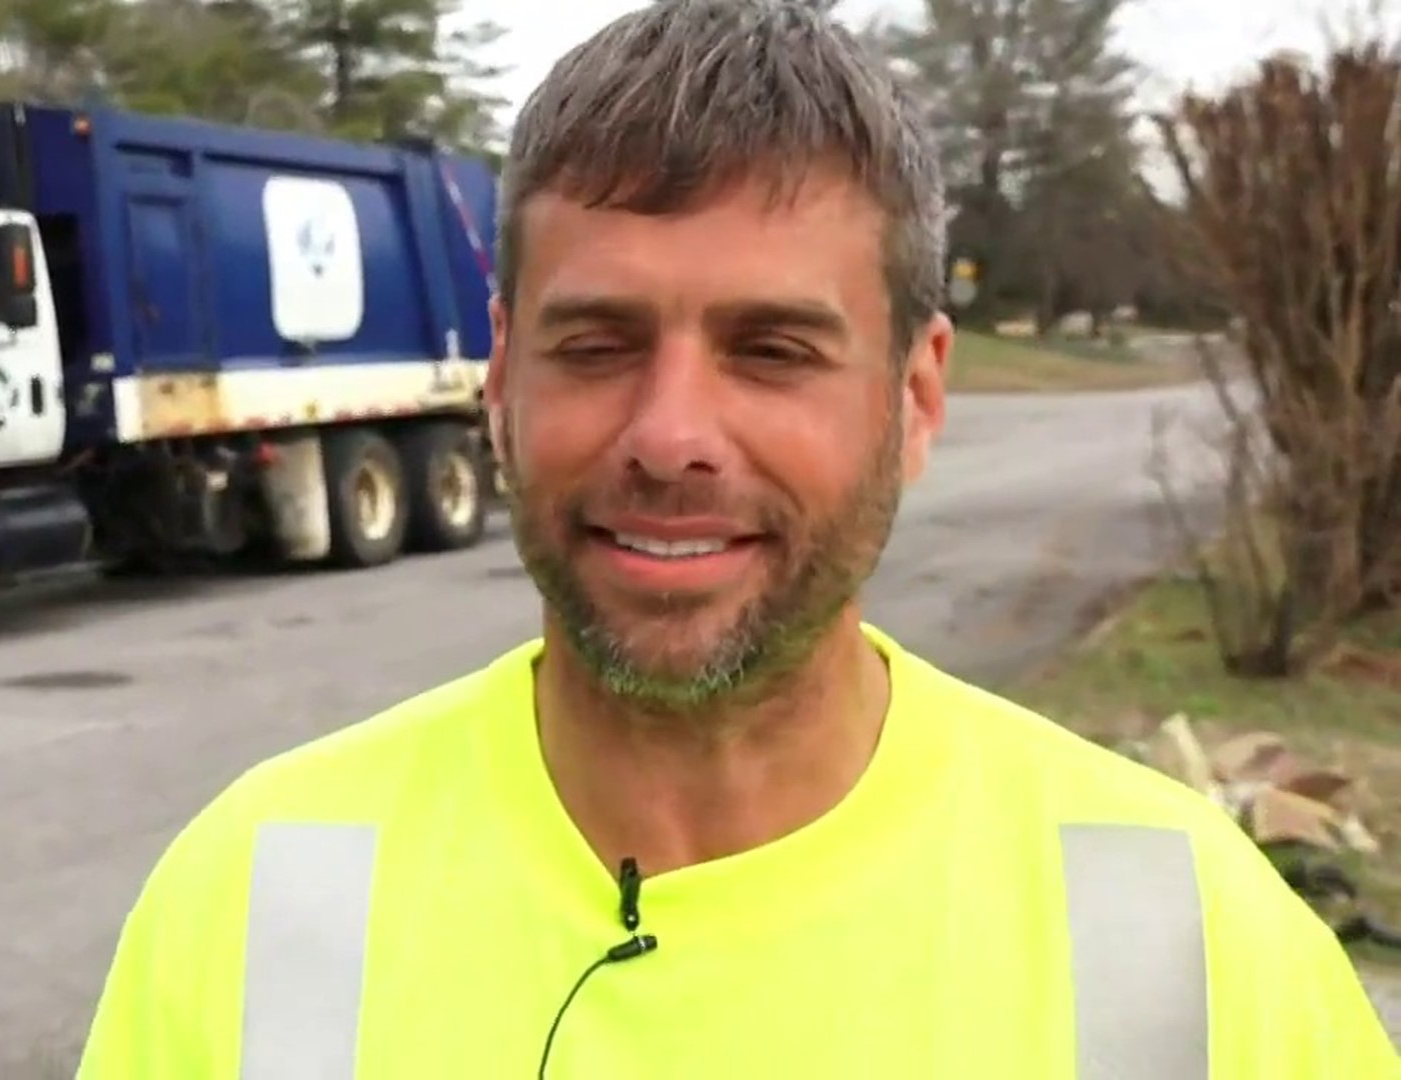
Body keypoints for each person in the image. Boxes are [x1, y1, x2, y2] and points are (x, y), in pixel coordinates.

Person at [74, 1, 1399, 1076]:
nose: (669, 435)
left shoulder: (1196, 942)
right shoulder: (256, 899)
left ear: (916, 395)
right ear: (499, 386)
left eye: (772, 351)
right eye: (597, 345)